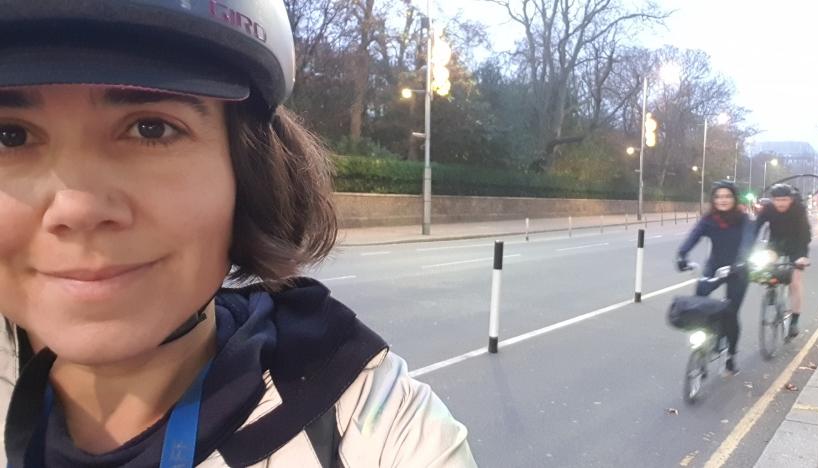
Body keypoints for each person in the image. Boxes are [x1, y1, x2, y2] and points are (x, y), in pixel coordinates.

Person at [0, 2, 476, 467]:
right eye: (10, 136)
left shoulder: (381, 435)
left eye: (151, 128)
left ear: (248, 176)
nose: (77, 207)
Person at [676, 182, 753, 374]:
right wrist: (682, 255)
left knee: (731, 313)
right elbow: (693, 237)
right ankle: (706, 338)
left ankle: (731, 355)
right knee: (699, 302)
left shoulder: (744, 219)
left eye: (727, 196)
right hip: (716, 265)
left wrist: (741, 262)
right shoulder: (709, 219)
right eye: (718, 196)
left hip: (738, 269)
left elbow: (747, 243)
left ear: (734, 199)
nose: (723, 200)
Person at [754, 184, 812, 338]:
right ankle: (771, 288)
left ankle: (794, 321)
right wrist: (745, 249)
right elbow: (754, 228)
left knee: (795, 282)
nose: (780, 203)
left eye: (784, 200)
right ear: (772, 200)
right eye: (777, 200)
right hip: (776, 243)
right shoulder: (768, 209)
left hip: (797, 245)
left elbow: (806, 234)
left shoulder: (798, 209)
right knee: (765, 266)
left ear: (791, 199)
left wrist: (803, 256)